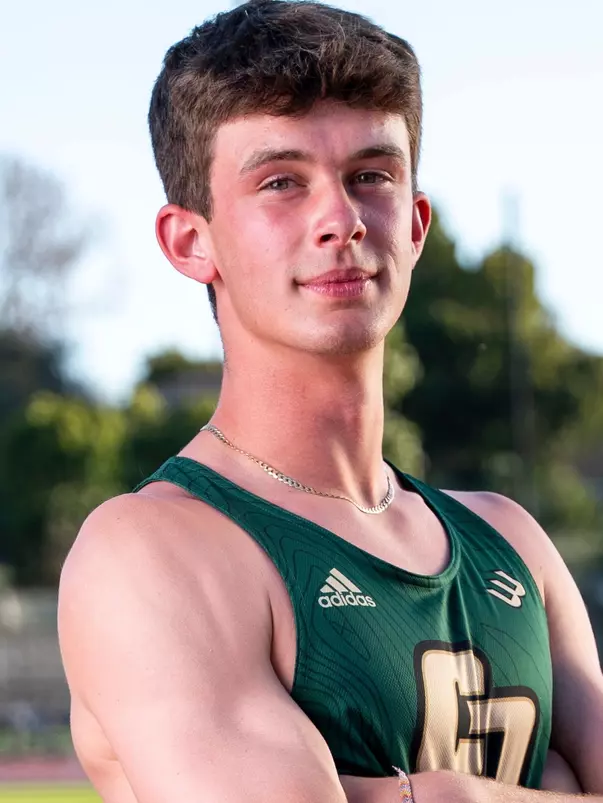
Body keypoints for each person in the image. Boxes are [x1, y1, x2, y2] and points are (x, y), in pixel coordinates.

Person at [58, 1, 603, 801]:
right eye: (281, 182)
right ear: (189, 241)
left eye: (370, 176)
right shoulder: (150, 550)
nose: (340, 220)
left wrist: (417, 794)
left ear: (415, 223)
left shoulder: (508, 539)